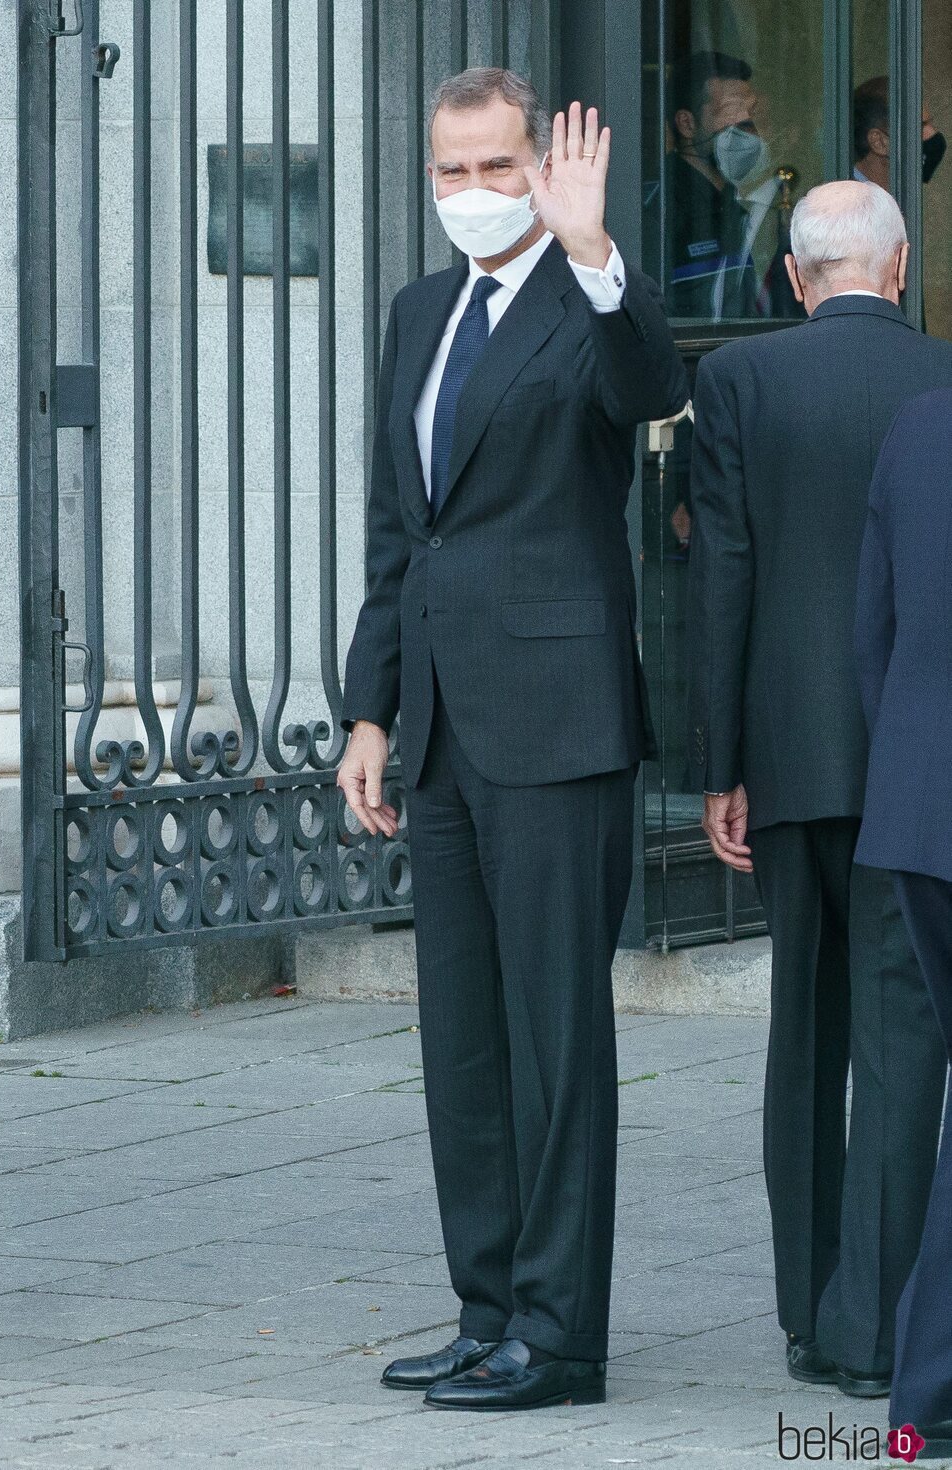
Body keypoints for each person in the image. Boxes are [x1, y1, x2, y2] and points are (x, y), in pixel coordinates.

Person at [336, 68, 687, 1412]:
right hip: (437, 729)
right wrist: (372, 709)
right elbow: (395, 529)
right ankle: (487, 1307)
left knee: (554, 1033)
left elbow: (649, 385)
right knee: (466, 1039)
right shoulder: (420, 312)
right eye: (449, 172)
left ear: (542, 166)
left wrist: (595, 251)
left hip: (556, 720)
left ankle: (561, 1330)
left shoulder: (586, 298)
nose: (470, 196)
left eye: (494, 169)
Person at [685, 180, 952, 1399]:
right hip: (915, 766)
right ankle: (879, 1330)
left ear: (793, 279)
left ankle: (804, 1313)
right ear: (899, 268)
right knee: (899, 1046)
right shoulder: (940, 385)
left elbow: (720, 579)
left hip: (789, 759)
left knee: (802, 1035)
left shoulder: (739, 382)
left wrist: (717, 764)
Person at [854, 389, 952, 1458]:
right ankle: (923, 1392)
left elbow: (869, 634)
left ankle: (925, 1393)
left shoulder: (917, 426)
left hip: (923, 815)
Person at [646, 50, 766, 321]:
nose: (746, 125)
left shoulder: (733, 200)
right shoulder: (662, 207)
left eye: (751, 112)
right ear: (687, 124)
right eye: (730, 111)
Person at [853, 76, 946, 190]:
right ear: (879, 142)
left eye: (929, 124)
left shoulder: (893, 197)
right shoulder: (848, 203)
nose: (932, 134)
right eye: (918, 127)